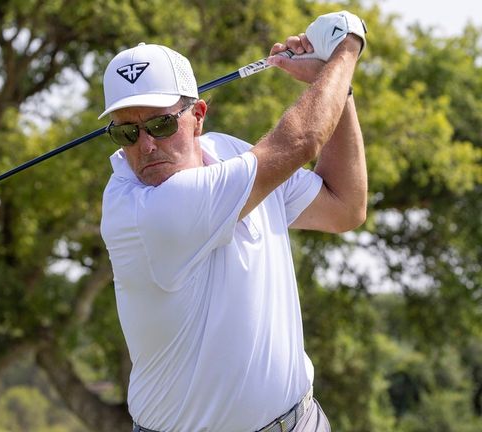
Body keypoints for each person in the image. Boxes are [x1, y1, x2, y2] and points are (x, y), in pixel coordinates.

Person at [99, 11, 368, 432]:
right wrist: (346, 47)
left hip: (301, 422)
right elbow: (300, 140)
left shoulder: (227, 152)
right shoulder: (145, 210)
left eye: (160, 123)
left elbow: (344, 206)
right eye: (126, 133)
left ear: (198, 115)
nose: (147, 146)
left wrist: (336, 87)